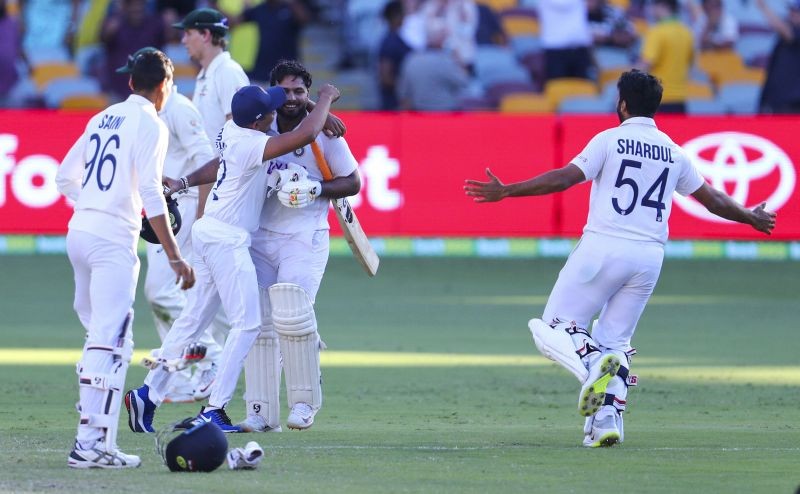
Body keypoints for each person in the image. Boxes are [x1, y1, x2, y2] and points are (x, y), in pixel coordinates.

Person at [464, 70, 776, 448]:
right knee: (615, 341)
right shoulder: (673, 151)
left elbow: (564, 179)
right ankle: (606, 423)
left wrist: (508, 191)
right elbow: (712, 199)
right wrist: (750, 216)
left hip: (604, 246)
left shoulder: (609, 140)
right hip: (649, 258)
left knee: (549, 328)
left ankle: (591, 364)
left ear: (623, 104)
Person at [125, 81, 340, 433]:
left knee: (193, 319)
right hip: (227, 240)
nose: (277, 109)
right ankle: (215, 409)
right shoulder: (254, 144)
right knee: (248, 324)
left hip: (210, 230)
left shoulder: (232, 130)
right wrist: (327, 100)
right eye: (270, 108)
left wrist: (183, 182)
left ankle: (149, 393)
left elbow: (221, 161)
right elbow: (305, 134)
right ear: (259, 121)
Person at [55, 48, 195, 468]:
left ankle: (95, 439)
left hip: (79, 231)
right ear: (165, 86)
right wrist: (174, 256)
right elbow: (151, 193)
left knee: (98, 338)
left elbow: (65, 176)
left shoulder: (103, 116)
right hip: (112, 239)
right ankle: (90, 446)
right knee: (112, 341)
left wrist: (95, 204)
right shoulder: (151, 122)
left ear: (131, 82)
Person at [237, 59, 362, 432]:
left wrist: (315, 189)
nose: (291, 98)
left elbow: (352, 183)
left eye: (300, 93)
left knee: (291, 317)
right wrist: (314, 108)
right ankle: (260, 412)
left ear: (308, 94)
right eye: (285, 91)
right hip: (259, 237)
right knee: (259, 324)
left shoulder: (327, 133)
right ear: (273, 92)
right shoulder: (259, 124)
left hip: (303, 238)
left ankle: (305, 403)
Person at [116, 46, 220, 403]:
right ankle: (179, 373)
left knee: (161, 292)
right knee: (169, 295)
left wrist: (203, 217)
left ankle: (211, 357)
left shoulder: (179, 110)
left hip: (184, 209)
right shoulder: (146, 113)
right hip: (162, 210)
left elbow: (208, 163)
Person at [638, 0, 693, 113]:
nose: (651, 10)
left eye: (653, 5)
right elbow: (690, 63)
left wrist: (626, 90)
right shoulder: (686, 32)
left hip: (659, 99)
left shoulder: (657, 32)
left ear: (663, 5)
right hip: (680, 100)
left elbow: (646, 64)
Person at [757, 0, 800, 114]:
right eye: (791, 10)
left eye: (796, 11)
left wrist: (763, 7)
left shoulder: (793, 32)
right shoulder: (785, 36)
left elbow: (785, 31)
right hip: (777, 100)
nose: (792, 14)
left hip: (793, 102)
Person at [377, 0, 413, 111]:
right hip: (394, 104)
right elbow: (385, 77)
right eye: (403, 14)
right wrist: (406, 88)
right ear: (396, 16)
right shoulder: (390, 42)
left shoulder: (395, 39)